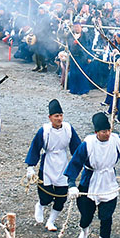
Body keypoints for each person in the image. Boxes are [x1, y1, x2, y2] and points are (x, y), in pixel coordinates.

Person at [64, 112, 120, 238]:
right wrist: (71, 184)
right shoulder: (88, 144)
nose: (107, 134)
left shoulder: (116, 140)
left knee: (106, 218)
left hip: (108, 183)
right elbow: (75, 163)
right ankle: (84, 231)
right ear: (96, 132)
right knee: (86, 215)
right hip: (90, 182)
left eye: (108, 130)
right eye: (104, 131)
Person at [25, 99, 82, 231]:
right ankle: (40, 205)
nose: (59, 118)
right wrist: (30, 167)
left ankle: (51, 221)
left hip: (62, 163)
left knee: (61, 196)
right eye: (56, 116)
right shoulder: (44, 131)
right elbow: (35, 148)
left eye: (61, 115)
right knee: (46, 196)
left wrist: (83, 163)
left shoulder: (68, 129)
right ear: (50, 117)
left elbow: (77, 148)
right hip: (48, 163)